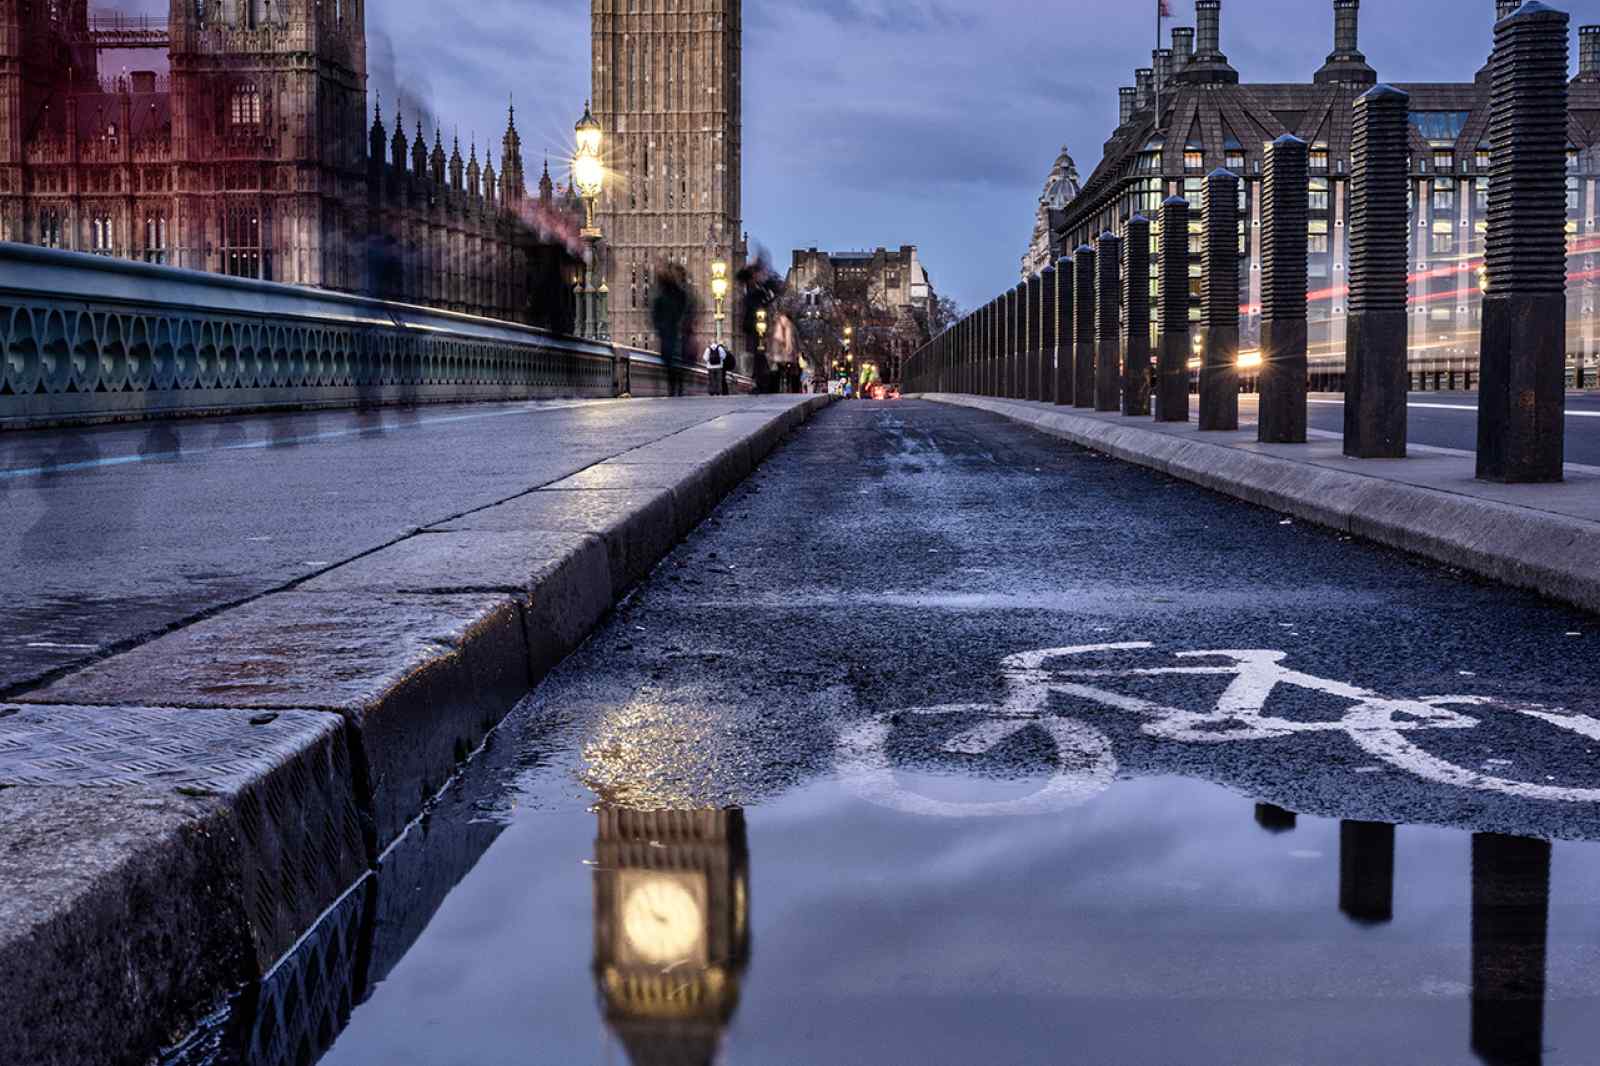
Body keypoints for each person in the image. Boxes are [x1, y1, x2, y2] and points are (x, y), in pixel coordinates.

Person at [650, 263, 691, 397]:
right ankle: (675, 386)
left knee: (673, 359)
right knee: (672, 359)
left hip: (672, 333)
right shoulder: (675, 295)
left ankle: (674, 386)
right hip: (670, 332)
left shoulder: (670, 296)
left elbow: (655, 316)